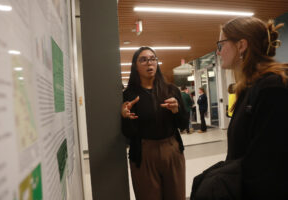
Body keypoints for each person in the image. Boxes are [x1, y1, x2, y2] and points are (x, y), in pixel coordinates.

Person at [191, 17, 288, 199]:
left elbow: (270, 167)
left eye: (220, 45)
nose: (218, 53)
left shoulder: (272, 88)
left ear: (241, 45)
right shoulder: (249, 88)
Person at [121, 47, 187, 200]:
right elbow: (128, 134)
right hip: (143, 154)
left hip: (172, 150)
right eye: (143, 60)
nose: (149, 63)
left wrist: (177, 110)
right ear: (135, 66)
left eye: (152, 58)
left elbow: (183, 124)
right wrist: (125, 117)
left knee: (176, 196)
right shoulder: (129, 95)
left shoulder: (171, 90)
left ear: (157, 63)